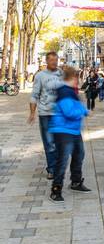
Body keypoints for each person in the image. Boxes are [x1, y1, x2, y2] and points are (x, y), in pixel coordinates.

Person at [48, 66, 91, 203]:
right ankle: (56, 189)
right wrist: (84, 112)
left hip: (73, 130)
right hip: (63, 131)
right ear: (73, 78)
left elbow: (78, 106)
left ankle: (76, 182)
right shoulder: (65, 92)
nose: (78, 81)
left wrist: (83, 109)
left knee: (79, 154)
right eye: (77, 78)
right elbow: (69, 112)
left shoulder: (71, 92)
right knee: (63, 159)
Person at [29, 51, 63, 180]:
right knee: (49, 143)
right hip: (45, 114)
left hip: (60, 114)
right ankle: (52, 169)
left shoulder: (62, 74)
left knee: (59, 142)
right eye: (52, 60)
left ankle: (58, 166)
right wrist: (32, 112)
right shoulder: (40, 75)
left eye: (56, 60)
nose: (54, 62)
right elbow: (34, 95)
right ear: (46, 61)